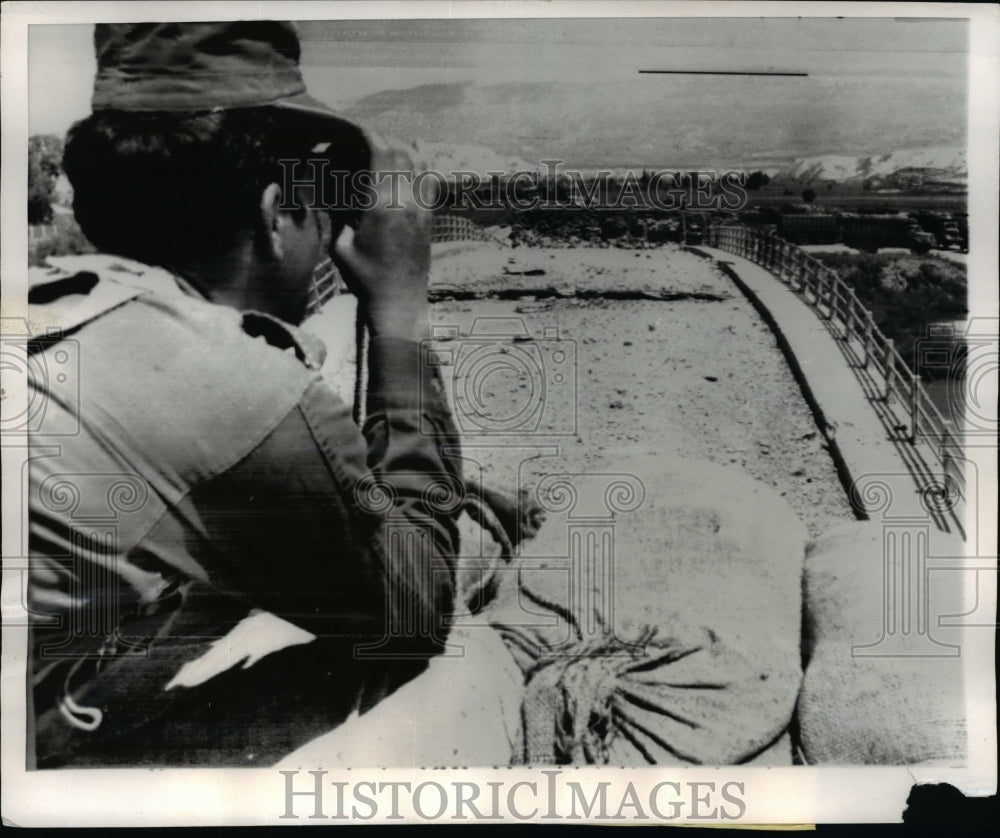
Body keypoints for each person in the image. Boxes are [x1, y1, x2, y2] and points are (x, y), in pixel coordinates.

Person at [26, 21, 486, 768]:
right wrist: (399, 310)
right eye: (320, 208)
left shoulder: (48, 306)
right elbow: (413, 612)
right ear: (277, 215)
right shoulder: (227, 382)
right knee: (452, 667)